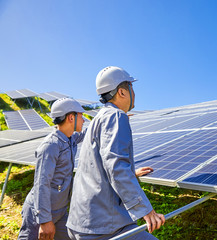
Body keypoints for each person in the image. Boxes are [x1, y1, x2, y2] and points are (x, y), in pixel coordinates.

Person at [66, 66, 165, 240]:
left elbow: (97, 165)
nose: (134, 93)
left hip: (81, 221)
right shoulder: (116, 116)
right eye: (131, 87)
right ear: (121, 92)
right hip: (102, 225)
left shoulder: (98, 119)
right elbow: (116, 165)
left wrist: (131, 173)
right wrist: (145, 210)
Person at [18, 98, 86, 240]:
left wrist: (107, 121)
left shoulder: (70, 139)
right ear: (71, 117)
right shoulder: (51, 146)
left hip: (60, 212)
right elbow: (41, 184)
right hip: (39, 214)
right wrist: (44, 220)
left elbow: (87, 134)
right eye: (81, 116)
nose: (84, 120)